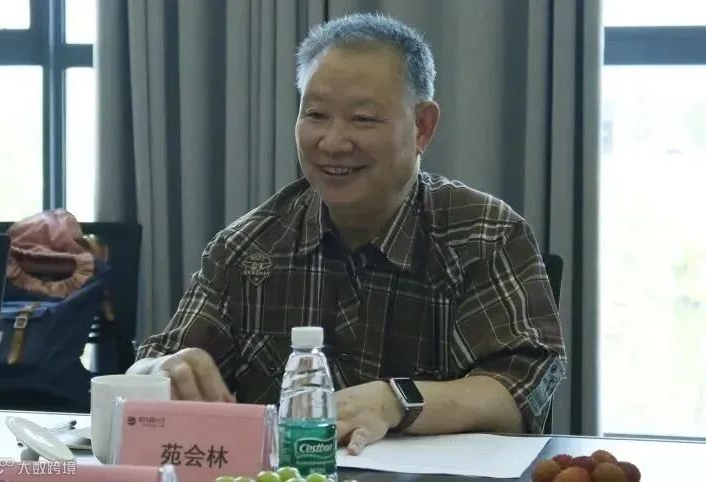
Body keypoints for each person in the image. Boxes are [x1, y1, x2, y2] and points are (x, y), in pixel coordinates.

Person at [129, 13, 566, 455]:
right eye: (315, 114)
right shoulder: (247, 248)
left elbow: (518, 391)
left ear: (422, 127)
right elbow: (151, 372)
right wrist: (158, 373)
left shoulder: (485, 235)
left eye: (362, 118)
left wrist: (395, 400)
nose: (333, 142)